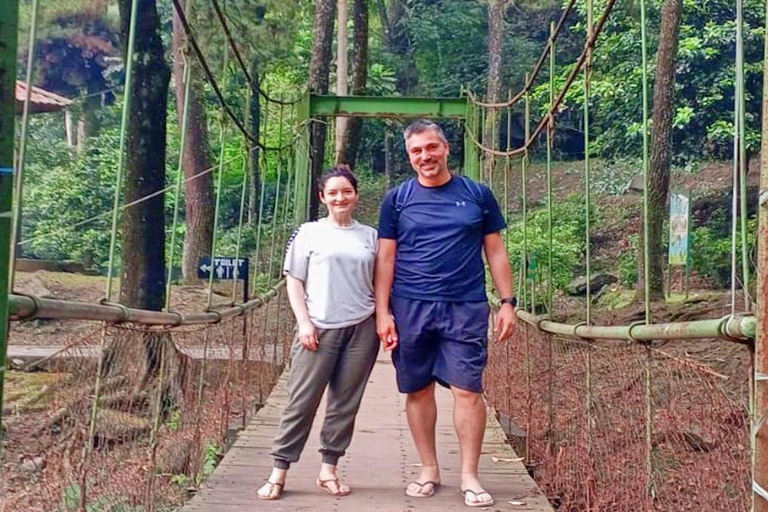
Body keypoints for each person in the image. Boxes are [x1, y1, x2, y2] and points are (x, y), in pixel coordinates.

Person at [375, 120, 516, 508]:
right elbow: (386, 257)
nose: (426, 156)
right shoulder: (397, 200)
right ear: (409, 156)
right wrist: (382, 313)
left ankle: (469, 476)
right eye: (417, 151)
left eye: (431, 147)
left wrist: (508, 303)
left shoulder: (477, 194)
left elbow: (496, 250)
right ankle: (428, 469)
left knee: (468, 390)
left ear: (446, 148)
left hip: (466, 305)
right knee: (417, 389)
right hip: (410, 306)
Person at [257, 166, 379, 500]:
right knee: (301, 402)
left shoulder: (370, 236)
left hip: (362, 328)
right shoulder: (308, 233)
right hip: (319, 328)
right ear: (322, 197)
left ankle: (329, 469)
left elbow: (380, 283)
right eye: (334, 192)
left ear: (356, 195)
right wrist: (304, 323)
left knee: (345, 403)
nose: (341, 197)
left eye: (347, 191)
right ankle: (279, 471)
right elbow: (294, 280)